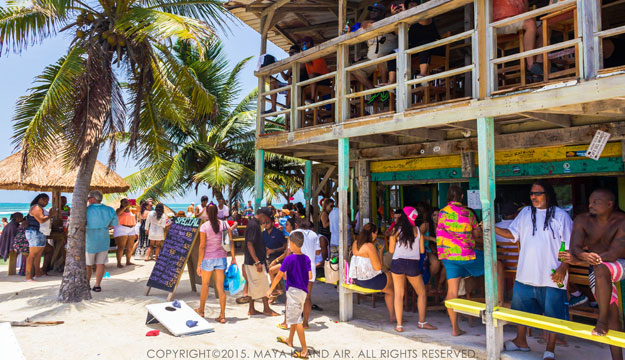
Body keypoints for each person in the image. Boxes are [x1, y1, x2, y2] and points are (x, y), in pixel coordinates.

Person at [495, 180, 572, 360]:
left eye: (538, 193)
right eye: (531, 193)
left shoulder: (561, 216)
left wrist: (563, 267)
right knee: (521, 312)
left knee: (553, 315)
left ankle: (550, 349)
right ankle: (521, 341)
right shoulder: (525, 213)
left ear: (548, 195)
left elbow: (567, 246)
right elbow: (512, 234)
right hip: (525, 273)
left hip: (553, 276)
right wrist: (492, 229)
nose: (533, 197)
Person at [561, 189, 625, 360]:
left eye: (596, 201)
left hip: (620, 264)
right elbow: (575, 247)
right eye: (590, 201)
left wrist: (582, 261)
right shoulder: (582, 220)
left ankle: (601, 320)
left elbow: (614, 253)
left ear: (610, 204)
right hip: (597, 269)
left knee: (602, 268)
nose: (590, 205)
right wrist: (583, 255)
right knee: (613, 312)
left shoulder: (621, 220)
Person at [436, 185, 484, 336]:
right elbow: (477, 235)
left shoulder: (442, 213)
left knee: (452, 292)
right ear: (462, 197)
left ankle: (454, 328)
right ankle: (500, 301)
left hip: (449, 257)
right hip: (466, 255)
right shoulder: (468, 213)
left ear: (448, 197)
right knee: (497, 267)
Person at [389, 206, 437, 333]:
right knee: (421, 293)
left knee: (399, 295)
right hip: (412, 264)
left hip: (397, 263)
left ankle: (399, 325)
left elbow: (391, 250)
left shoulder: (395, 230)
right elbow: (422, 251)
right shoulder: (417, 230)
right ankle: (422, 322)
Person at [267, 231, 311, 359]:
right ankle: (290, 340)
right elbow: (310, 276)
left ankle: (304, 350)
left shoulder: (289, 259)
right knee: (295, 316)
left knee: (297, 321)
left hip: (293, 292)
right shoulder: (306, 258)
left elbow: (279, 276)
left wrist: (270, 291)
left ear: (291, 244)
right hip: (303, 292)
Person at [388, 0, 444, 85]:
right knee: (392, 54)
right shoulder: (408, 23)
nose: (412, 5)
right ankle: (391, 82)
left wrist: (407, 13)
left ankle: (423, 74)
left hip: (434, 48)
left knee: (423, 44)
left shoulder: (425, 15)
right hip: (416, 51)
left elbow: (423, 21)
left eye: (414, 3)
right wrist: (395, 16)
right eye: (410, 4)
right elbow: (398, 33)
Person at [196, 205, 236, 323]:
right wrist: (233, 258)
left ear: (207, 213)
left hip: (207, 259)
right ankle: (222, 315)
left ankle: (201, 310)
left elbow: (202, 246)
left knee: (205, 285)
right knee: (220, 287)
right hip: (221, 258)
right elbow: (230, 241)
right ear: (218, 213)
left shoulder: (204, 227)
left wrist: (199, 264)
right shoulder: (224, 224)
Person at [350, 223, 396, 322]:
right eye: (376, 233)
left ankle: (393, 315)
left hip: (357, 279)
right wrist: (380, 252)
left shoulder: (356, 243)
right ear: (372, 234)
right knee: (391, 289)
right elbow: (378, 267)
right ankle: (393, 316)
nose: (376, 235)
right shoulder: (370, 246)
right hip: (368, 281)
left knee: (388, 276)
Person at [243, 207, 279, 316]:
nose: (266, 222)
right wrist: (257, 261)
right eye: (266, 219)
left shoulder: (253, 224)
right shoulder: (254, 225)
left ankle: (251, 309)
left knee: (253, 284)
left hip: (251, 261)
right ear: (262, 215)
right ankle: (266, 308)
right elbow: (250, 244)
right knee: (263, 284)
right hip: (254, 262)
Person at [352, 3, 398, 89]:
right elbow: (352, 30)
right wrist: (361, 24)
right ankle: (373, 90)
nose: (372, 12)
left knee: (381, 59)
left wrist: (375, 22)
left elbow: (397, 31)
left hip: (389, 59)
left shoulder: (389, 22)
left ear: (382, 14)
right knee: (353, 68)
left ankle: (385, 90)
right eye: (371, 11)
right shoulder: (367, 26)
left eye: (375, 11)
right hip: (371, 61)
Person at [493, 0, 538, 79]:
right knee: (530, 24)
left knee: (545, 24)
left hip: (518, 20)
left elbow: (525, 7)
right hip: (501, 22)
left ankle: (539, 64)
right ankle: (531, 66)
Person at [290, 219, 322, 329]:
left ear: (298, 225)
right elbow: (318, 252)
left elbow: (290, 250)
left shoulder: (294, 233)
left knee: (294, 296)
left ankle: (293, 322)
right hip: (310, 267)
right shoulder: (314, 234)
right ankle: (306, 323)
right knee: (307, 297)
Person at [85, 190, 118, 292]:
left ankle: (86, 285)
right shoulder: (110, 209)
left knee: (88, 265)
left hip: (89, 239)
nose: (87, 199)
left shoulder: (85, 210)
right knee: (101, 264)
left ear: (93, 199)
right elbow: (113, 225)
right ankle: (97, 285)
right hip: (103, 239)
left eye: (88, 197)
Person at [25, 193, 54, 281]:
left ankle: (38, 273)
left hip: (39, 232)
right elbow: (41, 220)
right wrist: (51, 215)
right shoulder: (36, 208)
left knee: (38, 255)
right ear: (40, 199)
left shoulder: (39, 208)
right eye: (45, 200)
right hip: (34, 232)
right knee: (32, 255)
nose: (46, 203)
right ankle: (28, 276)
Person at [496, 202, 518, 305]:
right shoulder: (518, 228)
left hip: (502, 266)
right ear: (515, 214)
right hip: (519, 266)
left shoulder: (496, 227)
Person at [114, 199, 137, 268]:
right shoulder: (119, 209)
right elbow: (118, 214)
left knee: (130, 246)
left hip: (132, 228)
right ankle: (119, 262)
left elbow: (139, 209)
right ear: (121, 203)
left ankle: (128, 261)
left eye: (127, 201)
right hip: (121, 228)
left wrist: (134, 204)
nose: (127, 203)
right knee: (121, 247)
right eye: (125, 202)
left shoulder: (132, 210)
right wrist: (125, 207)